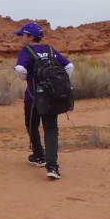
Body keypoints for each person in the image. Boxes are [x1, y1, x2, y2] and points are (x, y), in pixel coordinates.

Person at [14, 22, 73, 180]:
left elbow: (20, 69)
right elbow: (69, 66)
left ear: (30, 37)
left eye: (22, 35)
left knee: (32, 125)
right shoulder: (50, 49)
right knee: (51, 129)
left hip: (33, 97)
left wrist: (26, 78)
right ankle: (53, 166)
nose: (20, 38)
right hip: (51, 97)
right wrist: (61, 85)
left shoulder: (26, 51)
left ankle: (39, 156)